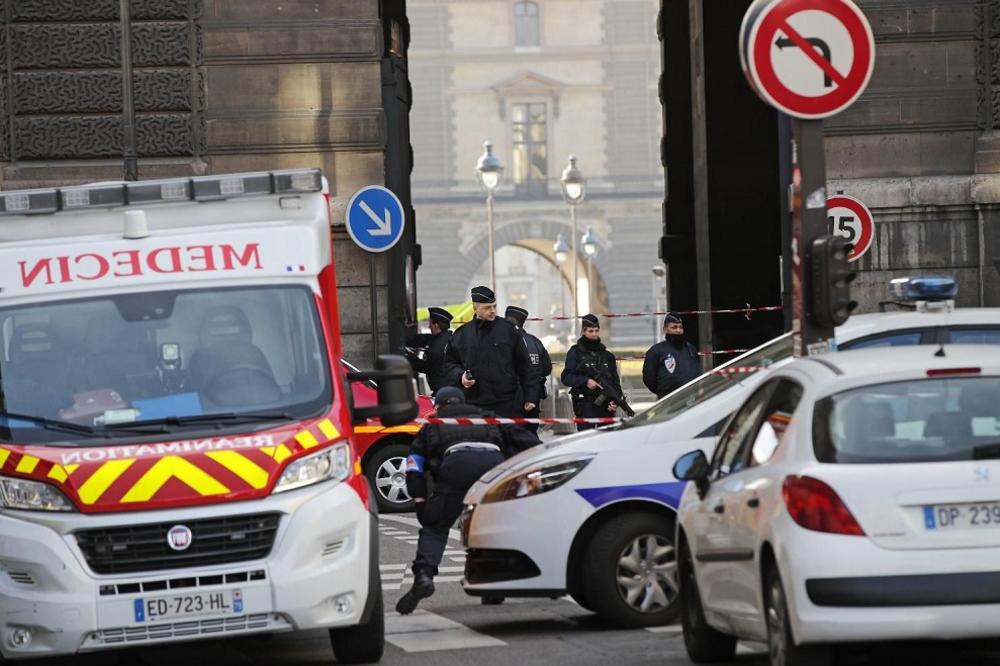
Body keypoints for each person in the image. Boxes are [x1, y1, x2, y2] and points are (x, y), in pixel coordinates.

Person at [395, 386, 540, 615]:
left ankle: (424, 576)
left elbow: (414, 464)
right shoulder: (487, 418)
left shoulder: (433, 424)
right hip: (493, 467)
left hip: (456, 465)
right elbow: (527, 441)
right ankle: (492, 583)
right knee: (491, 525)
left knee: (436, 527)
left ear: (439, 406)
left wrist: (420, 499)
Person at [443, 285, 539, 418]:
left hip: (506, 403)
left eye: (494, 306)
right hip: (474, 403)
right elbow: (449, 365)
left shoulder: (508, 330)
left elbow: (525, 365)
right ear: (475, 309)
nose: (493, 311)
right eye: (487, 308)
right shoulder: (462, 335)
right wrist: (461, 377)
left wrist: (531, 396)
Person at [560, 314, 623, 431]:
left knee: (606, 438)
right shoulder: (575, 353)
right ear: (583, 331)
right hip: (585, 402)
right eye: (590, 331)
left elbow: (615, 382)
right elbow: (566, 377)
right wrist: (586, 381)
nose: (594, 334)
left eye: (596, 330)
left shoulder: (607, 355)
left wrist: (615, 401)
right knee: (586, 438)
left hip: (605, 403)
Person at [504, 305, 552, 434]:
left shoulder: (504, 341)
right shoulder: (534, 341)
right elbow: (547, 368)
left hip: (511, 397)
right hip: (533, 396)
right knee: (530, 434)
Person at [642, 312, 700, 400]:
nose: (678, 330)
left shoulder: (690, 349)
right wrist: (664, 391)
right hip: (668, 400)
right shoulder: (656, 351)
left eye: (681, 327)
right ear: (665, 329)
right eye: (674, 327)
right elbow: (649, 379)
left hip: (691, 398)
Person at [405, 306, 454, 393]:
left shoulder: (437, 347)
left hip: (442, 389)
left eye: (430, 324)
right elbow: (424, 339)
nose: (428, 326)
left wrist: (408, 357)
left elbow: (425, 366)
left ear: (436, 325)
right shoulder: (447, 337)